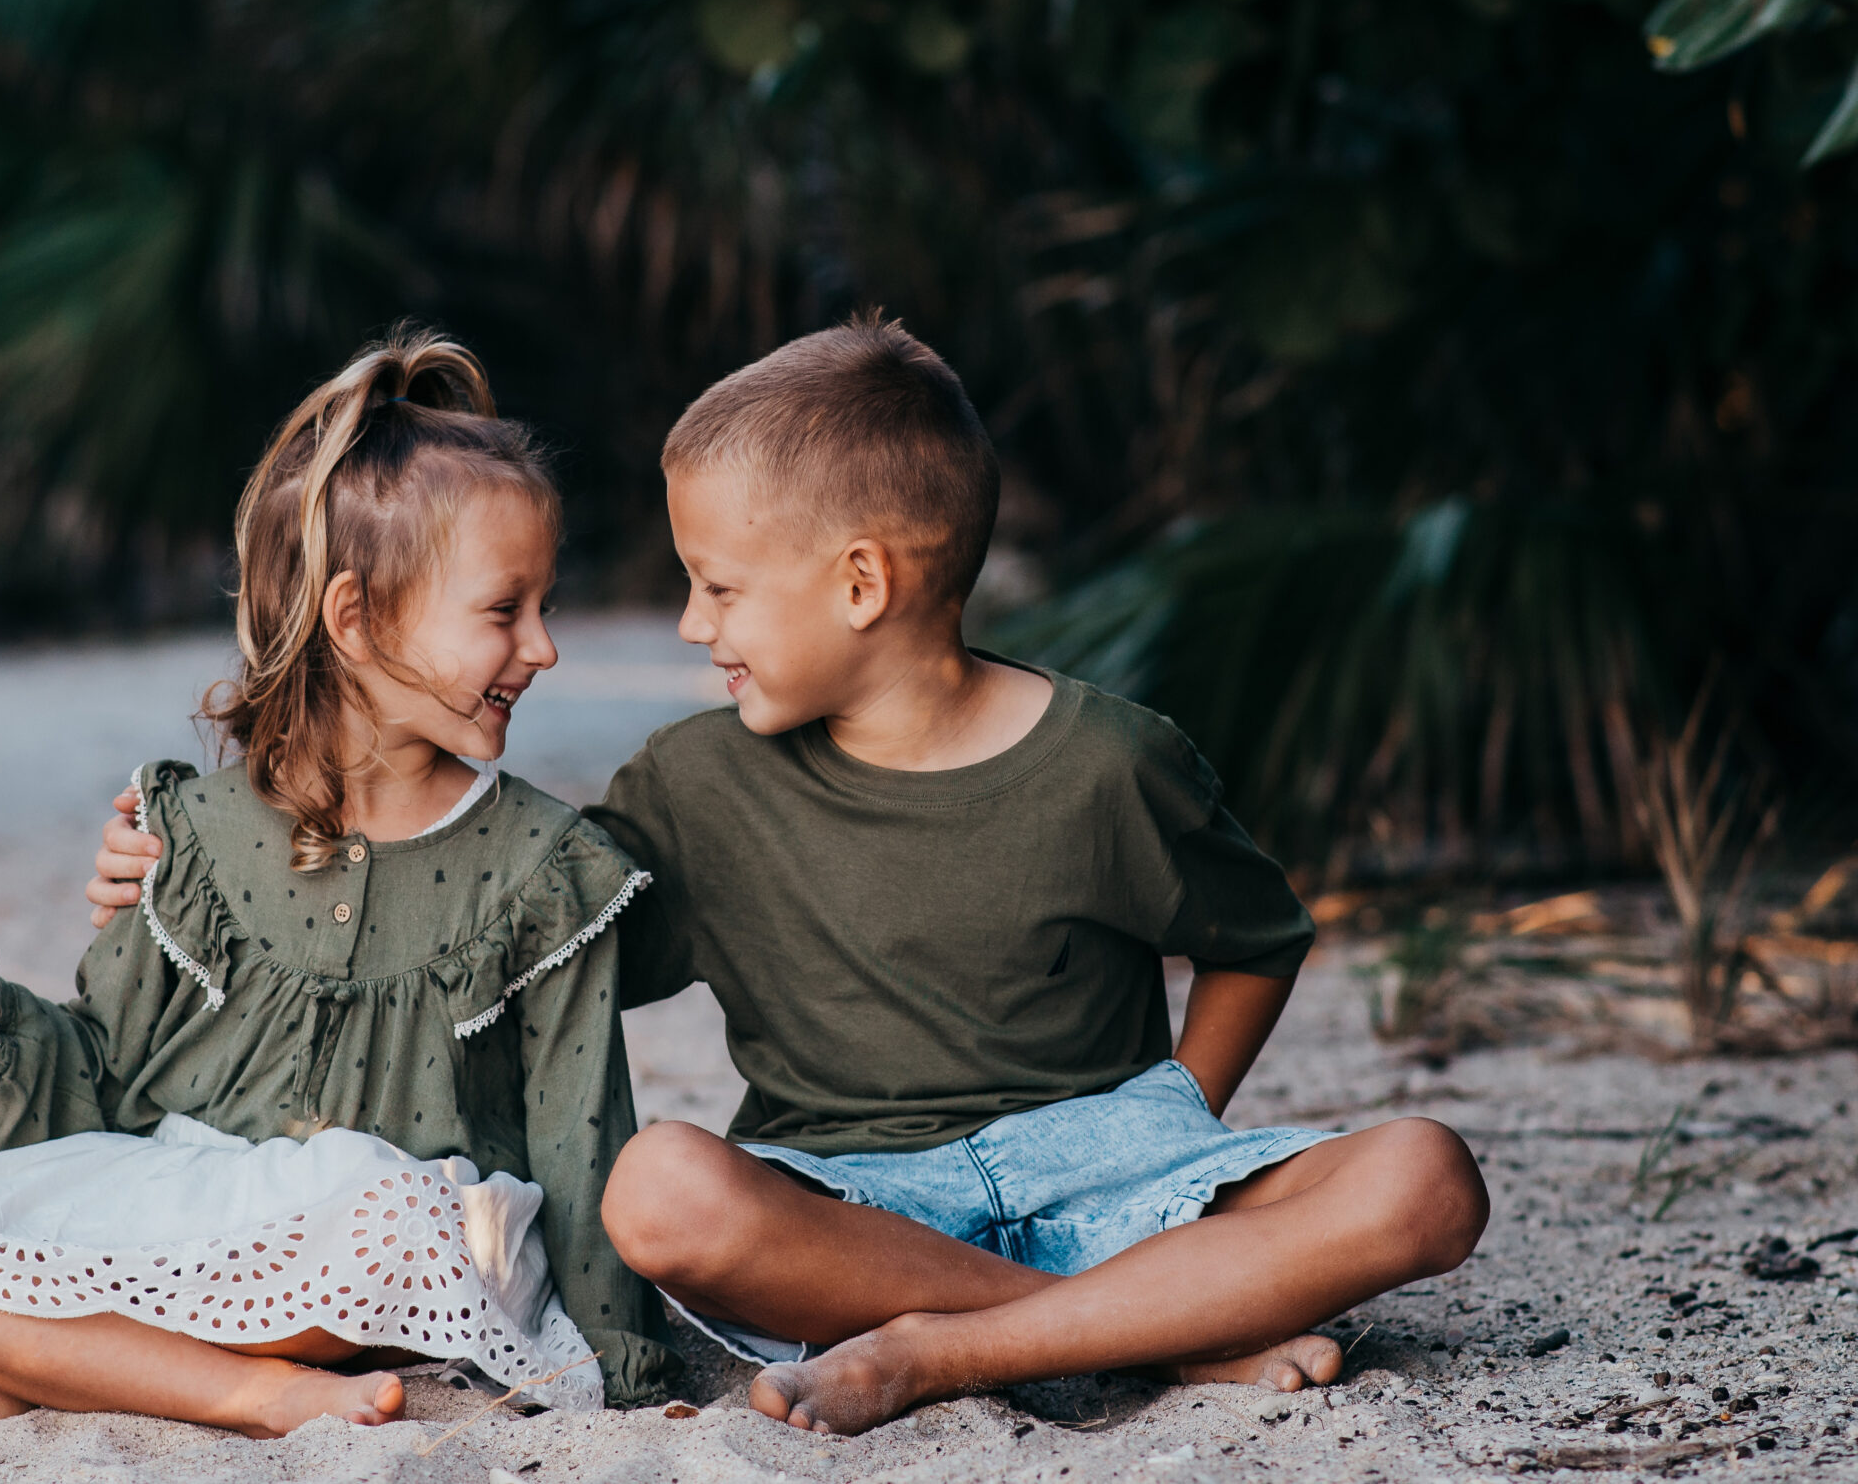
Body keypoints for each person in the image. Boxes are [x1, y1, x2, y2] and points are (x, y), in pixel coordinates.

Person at [87, 313, 1490, 1437]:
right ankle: (1163, 1326)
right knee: (663, 1190)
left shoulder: (1113, 762)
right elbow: (505, 939)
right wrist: (202, 868)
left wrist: (1179, 1115)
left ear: (862, 583)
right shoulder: (694, 783)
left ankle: (975, 1346)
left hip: (1112, 1161)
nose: (692, 622)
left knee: (1427, 1176)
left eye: (721, 585)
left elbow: (1254, 937)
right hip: (843, 1206)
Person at [0, 331, 673, 1442]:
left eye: (544, 606)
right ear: (355, 619)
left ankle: (70, 1366)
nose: (545, 647)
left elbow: (580, 1130)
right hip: (197, 1210)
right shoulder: (187, 832)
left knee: (394, 1221)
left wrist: (620, 1358)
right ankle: (243, 1389)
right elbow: (108, 1096)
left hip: (395, 1249)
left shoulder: (543, 865)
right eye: (504, 609)